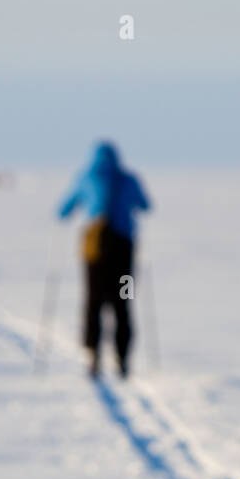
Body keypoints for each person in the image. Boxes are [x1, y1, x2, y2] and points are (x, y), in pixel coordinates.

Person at [57, 142, 151, 378]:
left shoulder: (86, 177)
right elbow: (145, 205)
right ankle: (123, 356)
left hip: (94, 255)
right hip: (124, 252)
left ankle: (92, 354)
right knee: (124, 301)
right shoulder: (128, 179)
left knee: (93, 301)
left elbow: (63, 211)